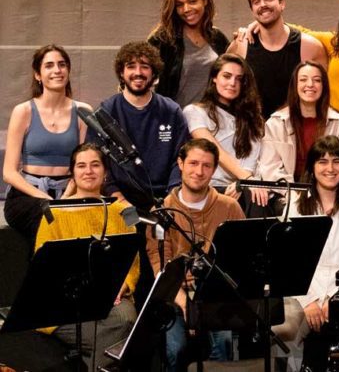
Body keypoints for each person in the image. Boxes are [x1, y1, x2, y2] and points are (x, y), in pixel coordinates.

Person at [34, 144, 138, 372]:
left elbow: (133, 262)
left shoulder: (124, 211)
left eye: (95, 165)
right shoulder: (53, 213)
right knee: (119, 335)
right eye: (81, 166)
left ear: (105, 172)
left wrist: (122, 285)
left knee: (127, 319)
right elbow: (43, 267)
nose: (88, 171)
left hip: (111, 299)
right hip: (64, 302)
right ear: (72, 173)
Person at [275, 136, 339, 370]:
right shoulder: (294, 207)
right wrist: (310, 300)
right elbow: (288, 261)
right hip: (302, 293)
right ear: (312, 168)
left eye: (336, 161)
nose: (330, 168)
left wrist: (335, 298)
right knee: (282, 331)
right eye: (322, 161)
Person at [147, 139, 243, 371]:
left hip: (217, 296)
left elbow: (240, 258)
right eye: (193, 163)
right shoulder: (161, 211)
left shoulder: (230, 207)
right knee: (175, 349)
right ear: (180, 164)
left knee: (224, 343)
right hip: (176, 294)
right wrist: (185, 305)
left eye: (206, 166)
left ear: (214, 169)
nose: (199, 172)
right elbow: (160, 265)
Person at [3, 45, 93, 239]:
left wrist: (66, 197)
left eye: (62, 65)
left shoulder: (83, 112)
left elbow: (85, 164)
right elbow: (9, 173)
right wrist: (47, 200)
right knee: (49, 222)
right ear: (38, 75)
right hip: (28, 196)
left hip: (69, 192)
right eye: (49, 65)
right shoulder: (23, 111)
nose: (57, 70)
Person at [98, 41, 190, 201]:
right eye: (131, 66)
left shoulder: (171, 111)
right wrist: (116, 196)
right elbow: (98, 160)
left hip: (166, 199)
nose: (138, 72)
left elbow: (181, 158)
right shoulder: (106, 111)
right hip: (119, 200)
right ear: (121, 73)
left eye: (145, 67)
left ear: (154, 73)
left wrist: (172, 197)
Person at [226, 0, 327, 117]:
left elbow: (323, 96)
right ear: (252, 10)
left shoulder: (310, 47)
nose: (263, 5)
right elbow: (223, 89)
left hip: (295, 127)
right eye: (256, 2)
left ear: (282, 3)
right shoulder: (241, 44)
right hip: (251, 127)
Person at [181, 54, 264, 193]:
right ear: (214, 78)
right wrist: (245, 179)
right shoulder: (194, 111)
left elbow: (251, 161)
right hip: (208, 185)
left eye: (239, 79)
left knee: (261, 197)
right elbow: (214, 149)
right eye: (227, 76)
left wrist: (241, 184)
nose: (232, 83)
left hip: (242, 186)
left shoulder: (253, 119)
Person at [257, 62, 339, 184]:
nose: (310, 84)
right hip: (286, 190)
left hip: (328, 188)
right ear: (295, 85)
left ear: (324, 86)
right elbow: (270, 168)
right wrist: (291, 192)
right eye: (303, 80)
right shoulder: (276, 123)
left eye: (317, 80)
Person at [148, 0, 231, 107]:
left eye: (192, 1)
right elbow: (140, 76)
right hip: (175, 116)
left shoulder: (217, 38)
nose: (186, 9)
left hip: (211, 115)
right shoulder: (162, 40)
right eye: (179, 5)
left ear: (205, 0)